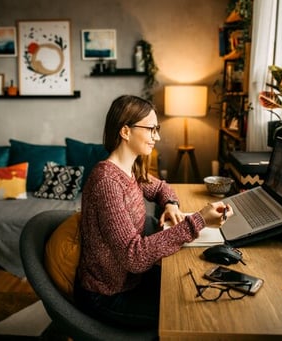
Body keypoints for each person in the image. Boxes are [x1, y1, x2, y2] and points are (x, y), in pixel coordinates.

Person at [74, 95, 233, 330]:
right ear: (125, 132)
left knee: (198, 290)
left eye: (156, 129)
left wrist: (171, 205)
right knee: (194, 318)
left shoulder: (130, 169)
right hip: (107, 294)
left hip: (132, 281)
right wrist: (198, 221)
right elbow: (135, 257)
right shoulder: (107, 182)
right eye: (151, 129)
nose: (157, 137)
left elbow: (161, 187)